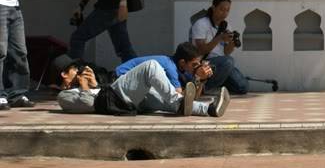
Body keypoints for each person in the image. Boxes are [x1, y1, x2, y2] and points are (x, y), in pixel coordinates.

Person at [57, 42, 230, 117]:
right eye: (75, 70)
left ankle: (209, 110)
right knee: (151, 66)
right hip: (116, 98)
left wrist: (95, 84)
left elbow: (100, 92)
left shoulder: (82, 87)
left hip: (124, 99)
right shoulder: (63, 97)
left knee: (164, 100)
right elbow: (89, 104)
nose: (80, 72)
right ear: (64, 74)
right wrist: (85, 87)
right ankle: (179, 102)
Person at [190, 0, 248, 95]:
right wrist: (219, 38)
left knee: (243, 87)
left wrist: (232, 43)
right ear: (213, 8)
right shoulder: (201, 24)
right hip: (205, 63)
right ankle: (203, 88)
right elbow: (201, 50)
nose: (224, 13)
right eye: (222, 9)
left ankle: (219, 82)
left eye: (227, 10)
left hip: (222, 64)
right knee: (229, 61)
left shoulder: (226, 25)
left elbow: (226, 52)